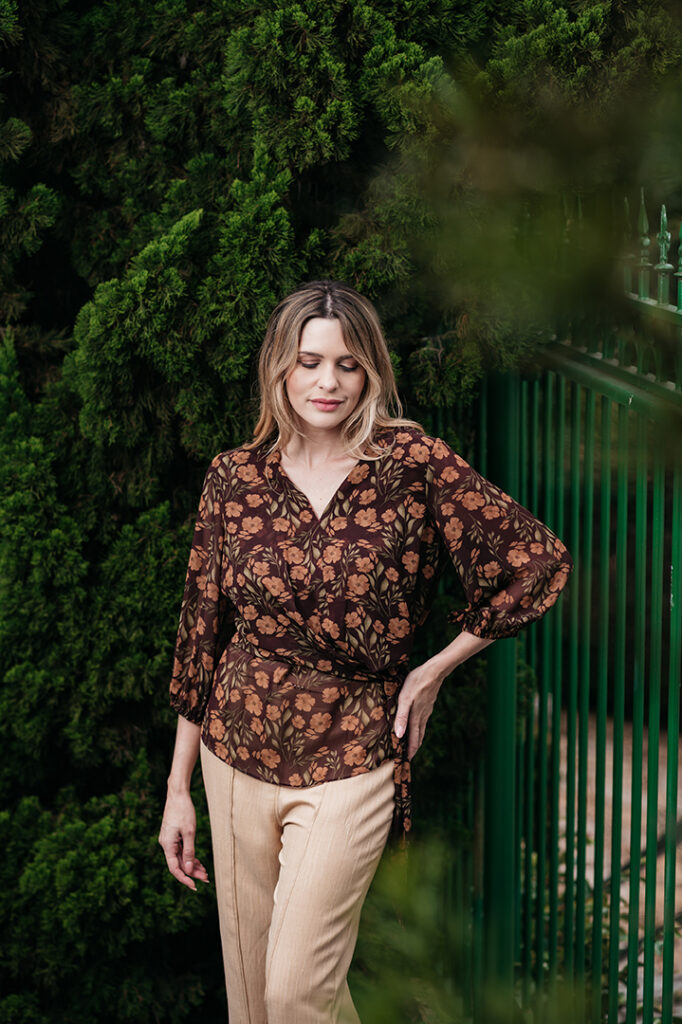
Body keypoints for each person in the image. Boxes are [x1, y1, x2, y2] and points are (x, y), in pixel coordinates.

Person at [158, 279, 574, 1024]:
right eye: (311, 361)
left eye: (348, 364)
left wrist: (434, 669)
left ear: (371, 372)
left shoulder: (411, 463)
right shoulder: (234, 477)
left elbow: (536, 562)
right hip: (233, 750)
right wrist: (177, 788)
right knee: (254, 1003)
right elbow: (201, 633)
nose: (329, 382)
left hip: (353, 750)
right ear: (280, 368)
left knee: (295, 992)